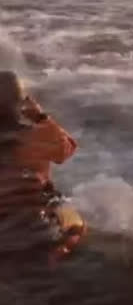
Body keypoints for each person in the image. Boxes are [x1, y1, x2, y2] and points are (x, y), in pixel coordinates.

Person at [0, 71, 84, 264]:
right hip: (33, 218)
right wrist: (40, 116)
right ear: (20, 105)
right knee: (75, 222)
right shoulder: (37, 136)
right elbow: (67, 148)